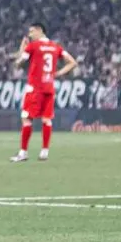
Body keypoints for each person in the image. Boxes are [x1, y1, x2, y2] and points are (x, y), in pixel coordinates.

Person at [11, 23, 77, 162]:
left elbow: (18, 63)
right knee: (46, 119)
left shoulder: (33, 46)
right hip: (49, 87)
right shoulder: (55, 46)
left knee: (26, 119)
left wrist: (22, 47)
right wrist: (58, 73)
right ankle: (44, 152)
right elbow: (72, 62)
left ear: (39, 30)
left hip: (35, 88)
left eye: (31, 32)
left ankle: (23, 153)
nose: (29, 35)